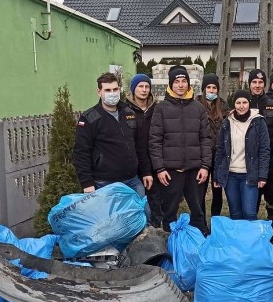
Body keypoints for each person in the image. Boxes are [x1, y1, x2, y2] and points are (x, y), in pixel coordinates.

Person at [73, 72, 153, 214]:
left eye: (115, 89)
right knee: (115, 224)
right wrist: (87, 183)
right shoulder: (89, 118)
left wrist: (146, 171)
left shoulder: (129, 113)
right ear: (99, 92)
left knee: (144, 214)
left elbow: (139, 146)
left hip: (132, 180)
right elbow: (81, 152)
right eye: (108, 90)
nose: (112, 93)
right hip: (105, 183)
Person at [149, 65, 212, 234]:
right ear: (171, 85)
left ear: (189, 84)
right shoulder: (161, 108)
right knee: (169, 212)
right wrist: (160, 169)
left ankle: (200, 242)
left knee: (198, 211)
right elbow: (155, 141)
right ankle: (170, 244)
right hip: (171, 171)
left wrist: (205, 166)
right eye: (176, 81)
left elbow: (205, 139)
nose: (180, 85)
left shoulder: (198, 108)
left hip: (195, 171)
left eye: (184, 81)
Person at [213, 90, 270, 220]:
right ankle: (238, 240)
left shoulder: (258, 122)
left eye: (244, 102)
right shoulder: (227, 122)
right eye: (238, 102)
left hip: (249, 174)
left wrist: (262, 176)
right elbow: (220, 149)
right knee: (235, 213)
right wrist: (216, 175)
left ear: (249, 103)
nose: (241, 106)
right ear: (234, 104)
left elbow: (264, 150)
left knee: (249, 212)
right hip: (230, 174)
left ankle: (251, 240)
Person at [247, 68, 273, 237]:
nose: (257, 85)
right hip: (249, 162)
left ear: (265, 84)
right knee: (252, 198)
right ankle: (252, 231)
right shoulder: (242, 102)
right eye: (254, 82)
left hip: (270, 160)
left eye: (260, 82)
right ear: (249, 84)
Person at [125, 73, 162, 227]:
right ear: (134, 89)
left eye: (147, 86)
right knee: (137, 201)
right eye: (140, 86)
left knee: (156, 199)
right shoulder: (125, 110)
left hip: (155, 160)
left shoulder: (157, 109)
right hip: (134, 163)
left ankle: (157, 229)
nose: (144, 90)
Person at [196, 73, 230, 223]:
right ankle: (201, 221)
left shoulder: (223, 106)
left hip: (218, 155)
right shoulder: (196, 105)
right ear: (203, 89)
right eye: (208, 87)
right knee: (200, 191)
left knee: (217, 191)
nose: (211, 90)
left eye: (214, 87)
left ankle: (215, 221)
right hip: (201, 155)